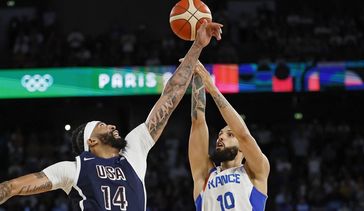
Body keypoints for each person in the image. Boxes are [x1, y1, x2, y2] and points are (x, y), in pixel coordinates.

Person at [0, 20, 223, 210]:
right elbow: (13, 187)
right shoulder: (75, 168)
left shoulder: (133, 151)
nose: (112, 125)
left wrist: (197, 46)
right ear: (92, 140)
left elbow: (170, 97)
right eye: (102, 125)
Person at [188, 62, 270, 211]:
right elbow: (197, 122)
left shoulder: (255, 172)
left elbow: (243, 135)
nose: (221, 137)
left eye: (229, 134)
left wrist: (212, 88)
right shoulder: (205, 176)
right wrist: (197, 73)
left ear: (243, 149)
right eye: (220, 134)